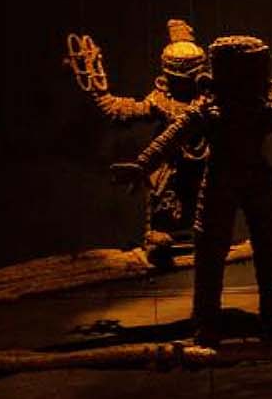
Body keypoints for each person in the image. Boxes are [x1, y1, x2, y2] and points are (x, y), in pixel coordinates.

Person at [114, 35, 272, 344]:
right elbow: (172, 137)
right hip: (226, 180)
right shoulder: (215, 112)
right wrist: (142, 165)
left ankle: (267, 319)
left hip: (242, 180)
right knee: (212, 251)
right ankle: (211, 323)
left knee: (265, 246)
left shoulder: (256, 112)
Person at [72, 19, 210, 266]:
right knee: (165, 196)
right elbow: (119, 109)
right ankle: (160, 236)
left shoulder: (209, 101)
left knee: (204, 199)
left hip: (203, 164)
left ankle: (203, 234)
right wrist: (97, 88)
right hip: (169, 165)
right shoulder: (161, 101)